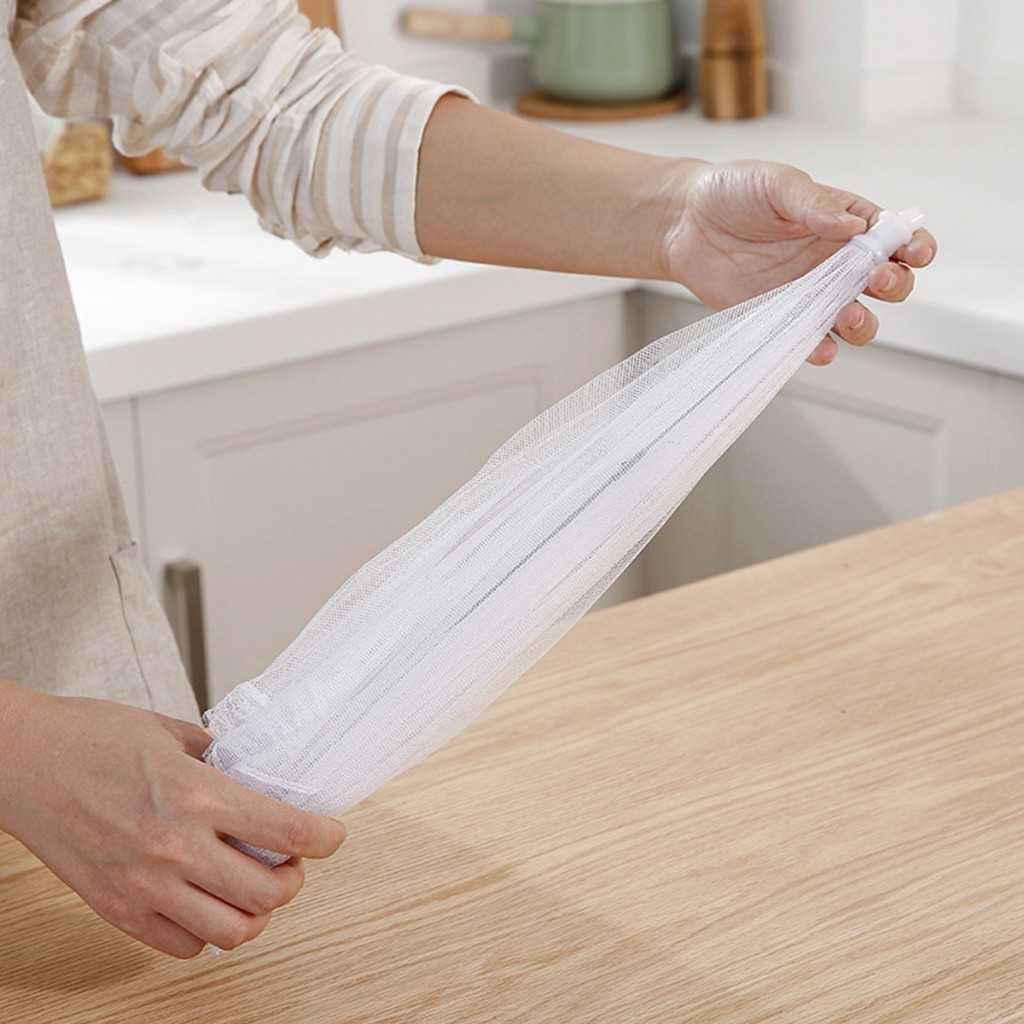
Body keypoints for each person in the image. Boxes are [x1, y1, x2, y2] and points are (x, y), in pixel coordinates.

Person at [0, 0, 935, 960]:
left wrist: (677, 214)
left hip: (102, 788)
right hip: (66, 777)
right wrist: (22, 750)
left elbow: (271, 97)